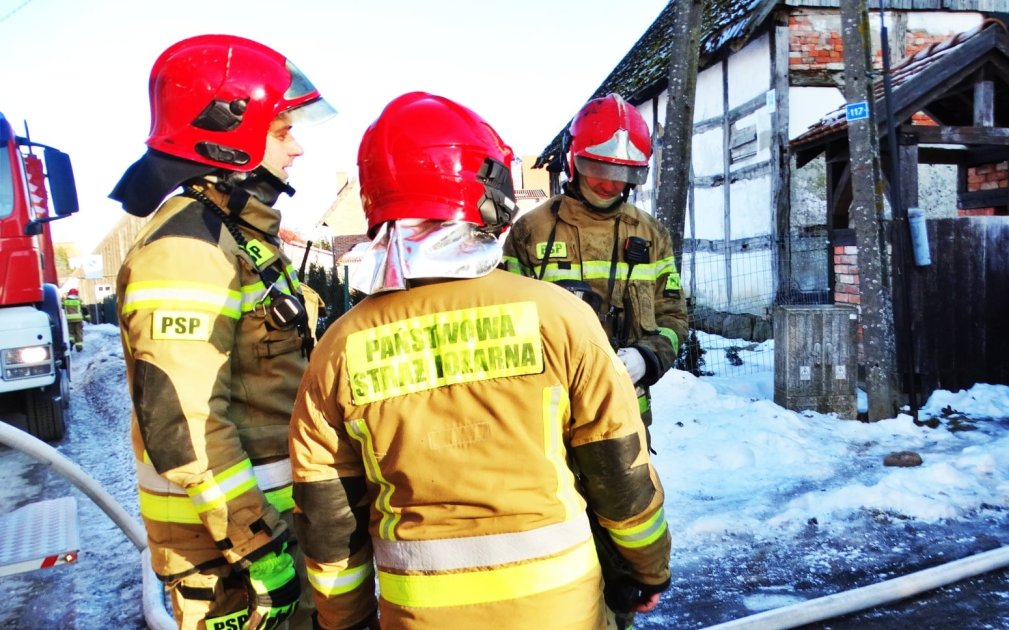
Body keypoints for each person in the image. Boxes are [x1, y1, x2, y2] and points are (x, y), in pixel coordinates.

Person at [288, 92, 671, 630]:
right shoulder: (560, 315)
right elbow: (619, 471)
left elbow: (328, 512)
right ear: (489, 194)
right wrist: (648, 569)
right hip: (559, 610)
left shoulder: (338, 349)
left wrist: (344, 621)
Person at [110, 34, 334, 630]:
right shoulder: (188, 250)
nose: (298, 148)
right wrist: (257, 545)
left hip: (268, 529)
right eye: (282, 131)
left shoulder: (234, 236)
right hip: (232, 557)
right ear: (228, 131)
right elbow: (184, 424)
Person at [501, 93, 688, 433]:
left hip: (625, 413)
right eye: (599, 170)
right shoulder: (531, 231)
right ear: (574, 162)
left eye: (623, 174)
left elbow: (673, 317)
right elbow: (505, 323)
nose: (610, 184)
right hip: (548, 418)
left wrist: (647, 357)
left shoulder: (651, 235)